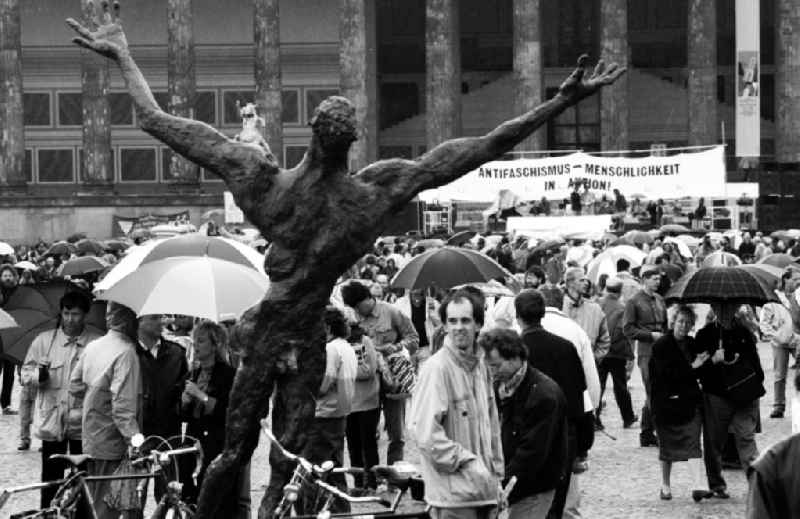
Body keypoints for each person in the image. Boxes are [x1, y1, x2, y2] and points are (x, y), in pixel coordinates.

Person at [410, 289, 503, 519]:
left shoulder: (481, 367)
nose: (458, 327)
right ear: (444, 325)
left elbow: (492, 428)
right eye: (452, 321)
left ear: (479, 324)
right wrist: (469, 462)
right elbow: (425, 434)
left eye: (465, 320)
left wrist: (496, 476)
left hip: (485, 494)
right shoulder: (436, 369)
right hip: (453, 498)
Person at [21, 291, 102, 508]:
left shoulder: (96, 344)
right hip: (52, 423)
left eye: (75, 314)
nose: (70, 319)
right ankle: (49, 512)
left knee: (83, 480)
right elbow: (25, 375)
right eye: (66, 313)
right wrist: (40, 375)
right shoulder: (44, 341)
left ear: (85, 315)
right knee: (50, 480)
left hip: (82, 423)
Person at [480, 328, 568, 519]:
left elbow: (532, 453)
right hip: (508, 482)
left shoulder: (544, 395)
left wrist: (502, 486)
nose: (491, 371)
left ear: (514, 358)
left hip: (534, 486)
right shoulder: (500, 386)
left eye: (496, 366)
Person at [515, 289, 586, 519]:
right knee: (555, 506)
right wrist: (583, 445)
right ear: (543, 314)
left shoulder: (514, 351)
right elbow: (579, 398)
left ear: (518, 317)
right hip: (563, 437)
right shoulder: (565, 347)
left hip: (526, 439)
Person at [69, 302, 143, 519]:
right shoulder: (126, 352)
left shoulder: (94, 346)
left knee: (99, 502)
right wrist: (135, 441)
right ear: (131, 320)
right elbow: (122, 408)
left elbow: (74, 385)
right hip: (113, 443)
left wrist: (95, 399)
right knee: (108, 508)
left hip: (91, 438)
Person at [341, 281, 419, 464]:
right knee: (366, 434)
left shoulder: (391, 312)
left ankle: (394, 475)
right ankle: (372, 475)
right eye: (354, 308)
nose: (358, 311)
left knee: (396, 432)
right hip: (367, 384)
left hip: (393, 381)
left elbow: (414, 339)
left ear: (368, 298)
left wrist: (397, 347)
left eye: (359, 306)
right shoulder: (352, 319)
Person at [694, 303, 765, 500]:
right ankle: (716, 484)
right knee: (714, 442)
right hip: (716, 396)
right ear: (714, 309)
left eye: (728, 308)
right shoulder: (705, 335)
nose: (724, 312)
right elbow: (698, 370)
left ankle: (758, 485)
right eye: (720, 308)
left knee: (746, 440)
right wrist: (713, 361)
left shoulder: (744, 333)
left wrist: (739, 364)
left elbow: (757, 369)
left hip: (744, 397)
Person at [649, 306, 712, 502]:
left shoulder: (692, 344)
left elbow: (701, 371)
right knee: (667, 448)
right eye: (680, 322)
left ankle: (697, 485)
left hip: (689, 402)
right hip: (666, 404)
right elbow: (664, 376)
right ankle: (665, 485)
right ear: (673, 322)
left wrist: (706, 362)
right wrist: (693, 367)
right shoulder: (661, 345)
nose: (684, 326)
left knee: (693, 442)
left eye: (688, 323)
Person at [180, 321, 239, 514]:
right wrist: (185, 401)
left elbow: (227, 410)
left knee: (216, 497)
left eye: (202, 341)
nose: (196, 345)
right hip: (193, 441)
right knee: (190, 494)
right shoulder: (193, 373)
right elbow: (184, 415)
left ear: (215, 345)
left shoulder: (228, 375)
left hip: (216, 442)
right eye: (195, 341)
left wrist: (201, 396)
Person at [136, 314, 189, 504]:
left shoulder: (176, 353)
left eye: (162, 317)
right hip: (137, 434)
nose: (162, 321)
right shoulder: (129, 353)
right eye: (155, 317)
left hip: (169, 433)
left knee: (168, 493)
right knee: (135, 494)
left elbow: (184, 389)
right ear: (140, 321)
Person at [623, 265, 668, 447]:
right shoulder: (634, 301)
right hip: (646, 351)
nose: (658, 282)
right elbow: (628, 329)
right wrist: (650, 335)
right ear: (644, 280)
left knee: (657, 390)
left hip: (661, 349)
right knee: (652, 390)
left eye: (659, 279)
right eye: (654, 279)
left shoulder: (659, 299)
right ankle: (655, 431)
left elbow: (665, 324)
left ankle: (647, 432)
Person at [596, 278, 637, 430]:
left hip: (599, 351)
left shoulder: (597, 303)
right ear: (620, 291)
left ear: (606, 288)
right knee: (620, 386)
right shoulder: (623, 307)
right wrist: (630, 354)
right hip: (616, 352)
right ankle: (628, 417)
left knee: (598, 386)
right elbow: (624, 332)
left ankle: (595, 418)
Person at [345, 323, 381, 490]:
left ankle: (373, 482)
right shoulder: (338, 343)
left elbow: (369, 370)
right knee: (353, 446)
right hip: (348, 404)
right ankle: (359, 484)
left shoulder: (365, 341)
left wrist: (347, 370)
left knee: (369, 445)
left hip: (368, 402)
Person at [759, 268, 799, 418]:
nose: (798, 282)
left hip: (797, 341)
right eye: (794, 279)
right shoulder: (773, 299)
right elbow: (764, 324)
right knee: (779, 375)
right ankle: (778, 405)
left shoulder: (798, 296)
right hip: (779, 343)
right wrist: (777, 336)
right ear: (785, 279)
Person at [562, 267, 610, 360]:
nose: (586, 283)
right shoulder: (558, 306)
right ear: (570, 283)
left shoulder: (595, 309)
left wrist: (593, 359)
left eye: (587, 280)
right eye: (582, 280)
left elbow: (605, 340)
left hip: (588, 367)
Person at [394, 288, 441, 365]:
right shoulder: (399, 303)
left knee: (424, 375)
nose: (416, 289)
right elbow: (394, 325)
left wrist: (433, 315)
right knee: (409, 375)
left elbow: (441, 326)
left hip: (426, 349)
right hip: (407, 349)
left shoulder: (433, 303)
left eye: (419, 285)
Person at [0, 264, 19, 415]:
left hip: (13, 337)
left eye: (10, 275)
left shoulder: (19, 293)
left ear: (14, 277)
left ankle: (6, 404)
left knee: (9, 373)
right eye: (5, 275)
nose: (7, 278)